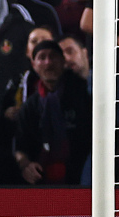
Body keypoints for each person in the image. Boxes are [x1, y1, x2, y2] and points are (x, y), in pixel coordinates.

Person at [14, 40, 91, 184]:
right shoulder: (30, 106)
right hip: (42, 178)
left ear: (63, 61)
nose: (48, 63)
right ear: (33, 64)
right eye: (42, 58)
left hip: (82, 176)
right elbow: (20, 147)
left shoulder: (83, 94)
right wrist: (25, 165)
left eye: (53, 56)